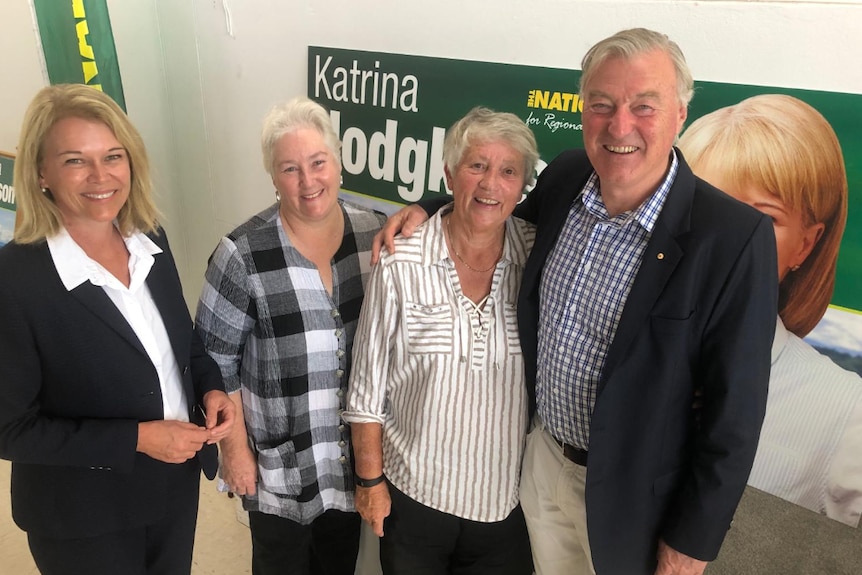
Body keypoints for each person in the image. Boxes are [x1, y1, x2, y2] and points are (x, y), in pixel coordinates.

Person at [375, 28, 778, 575]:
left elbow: (734, 422)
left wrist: (688, 550)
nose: (620, 125)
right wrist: (430, 206)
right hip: (541, 464)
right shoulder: (567, 178)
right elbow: (493, 208)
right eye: (603, 105)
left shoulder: (731, 237)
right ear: (583, 109)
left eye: (644, 106)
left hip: (633, 500)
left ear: (681, 113)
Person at [0, 83, 235, 575]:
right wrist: (135, 438)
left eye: (113, 156)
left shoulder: (149, 237)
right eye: (74, 161)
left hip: (174, 485)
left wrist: (210, 387)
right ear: (41, 172)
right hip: (83, 513)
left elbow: (179, 343)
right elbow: (10, 429)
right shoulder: (15, 279)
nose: (100, 176)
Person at [195, 96, 386, 575]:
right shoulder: (242, 254)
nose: (308, 181)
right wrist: (234, 451)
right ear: (273, 176)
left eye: (318, 162)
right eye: (289, 169)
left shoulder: (374, 236)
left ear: (338, 162)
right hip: (279, 465)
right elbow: (215, 362)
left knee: (337, 563)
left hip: (348, 460)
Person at [344, 107, 537, 575]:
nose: (491, 184)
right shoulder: (400, 260)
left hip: (506, 506)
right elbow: (367, 388)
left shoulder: (539, 256)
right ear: (450, 175)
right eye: (477, 166)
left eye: (508, 171)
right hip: (416, 497)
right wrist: (370, 481)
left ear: (523, 185)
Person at [679, 93, 862, 527]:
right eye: (700, 207)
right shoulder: (614, 353)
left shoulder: (845, 414)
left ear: (806, 243)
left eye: (761, 219)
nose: (724, 239)